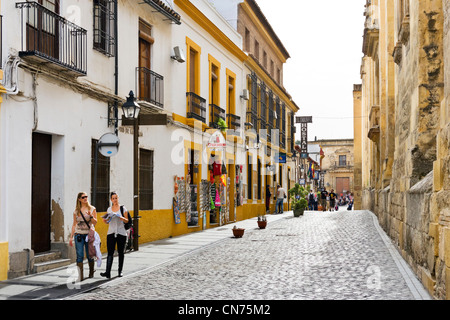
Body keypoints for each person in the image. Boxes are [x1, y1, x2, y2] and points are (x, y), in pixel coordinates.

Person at [69, 192, 97, 282]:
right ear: (79, 199)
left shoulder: (92, 209)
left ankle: (91, 271)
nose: (85, 198)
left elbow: (95, 222)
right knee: (80, 255)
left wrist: (91, 216)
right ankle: (80, 276)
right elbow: (74, 224)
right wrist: (71, 237)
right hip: (79, 235)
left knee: (89, 255)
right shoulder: (76, 211)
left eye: (86, 196)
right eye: (83, 197)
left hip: (89, 235)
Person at [101, 192, 129, 279]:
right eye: (113, 198)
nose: (115, 200)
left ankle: (120, 271)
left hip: (121, 233)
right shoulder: (109, 209)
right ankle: (107, 272)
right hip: (111, 233)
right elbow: (107, 221)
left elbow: (127, 220)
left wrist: (122, 218)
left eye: (116, 198)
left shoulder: (123, 208)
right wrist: (105, 220)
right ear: (111, 200)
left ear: (118, 198)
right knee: (110, 252)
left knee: (121, 252)